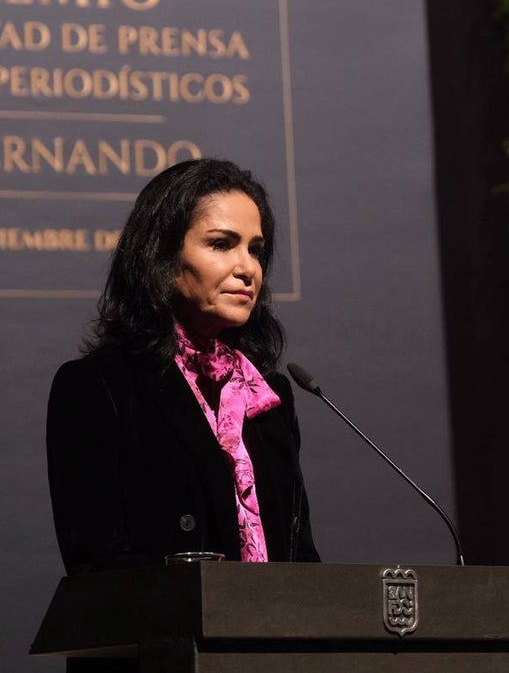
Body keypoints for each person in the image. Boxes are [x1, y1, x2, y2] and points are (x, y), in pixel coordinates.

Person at [47, 158, 320, 574]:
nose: (248, 268)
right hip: (170, 634)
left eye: (256, 250)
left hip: (272, 635)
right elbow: (96, 567)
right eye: (221, 244)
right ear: (164, 257)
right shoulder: (98, 386)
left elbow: (301, 560)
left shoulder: (267, 396)